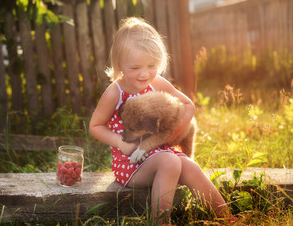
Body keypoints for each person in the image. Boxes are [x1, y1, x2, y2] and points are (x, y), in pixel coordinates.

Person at [89, 17, 232, 224]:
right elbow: (95, 126)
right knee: (171, 161)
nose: (144, 73)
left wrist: (171, 135)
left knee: (188, 165)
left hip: (159, 153)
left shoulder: (157, 83)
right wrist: (120, 142)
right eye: (135, 67)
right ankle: (160, 223)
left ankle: (228, 219)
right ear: (119, 65)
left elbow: (188, 106)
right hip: (130, 167)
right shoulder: (115, 93)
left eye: (151, 65)